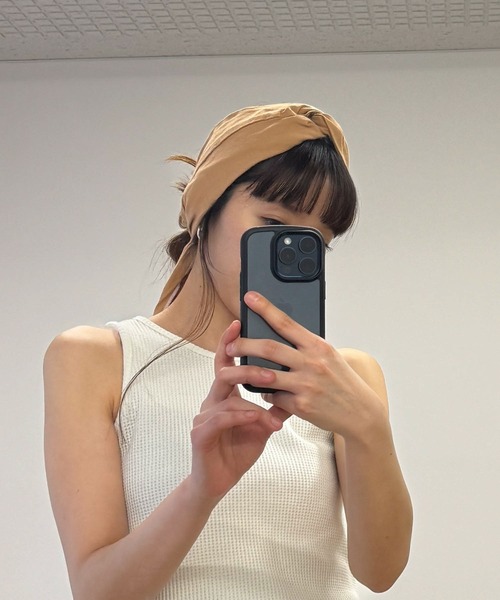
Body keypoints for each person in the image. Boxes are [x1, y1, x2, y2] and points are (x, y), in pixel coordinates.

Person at [44, 103, 413, 600]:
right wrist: (201, 491)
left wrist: (368, 428)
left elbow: (380, 572)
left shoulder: (347, 377)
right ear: (207, 207)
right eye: (273, 222)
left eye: (316, 242)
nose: (292, 251)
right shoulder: (99, 359)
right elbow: (97, 591)